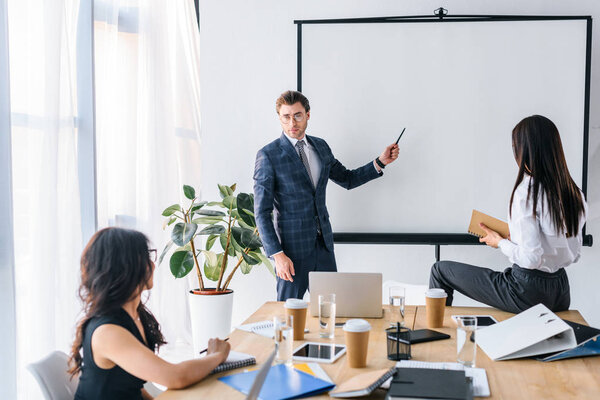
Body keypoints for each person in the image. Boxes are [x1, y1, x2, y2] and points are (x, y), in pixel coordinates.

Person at [429, 115, 587, 314]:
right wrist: (515, 239)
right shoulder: (575, 193)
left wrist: (500, 243)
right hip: (560, 291)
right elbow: (574, 254)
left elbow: (531, 259)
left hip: (526, 292)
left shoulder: (526, 192)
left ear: (524, 150)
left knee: (440, 271)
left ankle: (436, 338)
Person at [254, 90, 399, 301]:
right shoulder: (268, 155)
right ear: (279, 118)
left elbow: (347, 179)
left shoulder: (320, 147)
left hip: (324, 249)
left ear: (308, 115)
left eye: (298, 115)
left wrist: (380, 162)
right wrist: (277, 255)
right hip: (291, 253)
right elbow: (261, 212)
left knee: (331, 313)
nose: (292, 122)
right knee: (289, 318)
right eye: (286, 116)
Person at [69, 227, 230, 399]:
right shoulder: (108, 332)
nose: (153, 265)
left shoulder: (134, 315)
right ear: (125, 268)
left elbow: (129, 385)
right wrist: (216, 356)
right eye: (145, 258)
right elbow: (175, 377)